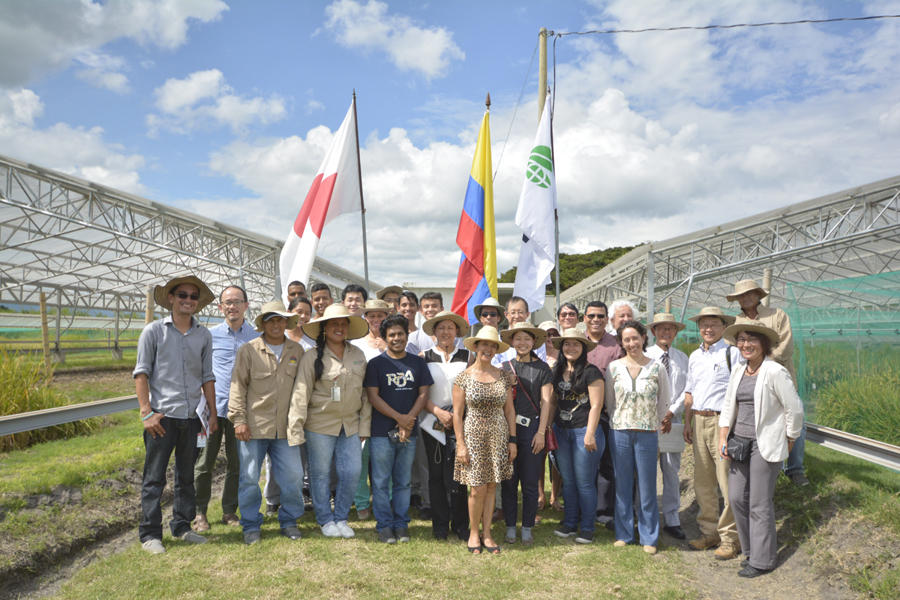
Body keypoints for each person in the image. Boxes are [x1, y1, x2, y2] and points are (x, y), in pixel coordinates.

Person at [134, 275, 217, 554]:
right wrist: (147, 413)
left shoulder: (203, 335)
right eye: (183, 295)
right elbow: (141, 372)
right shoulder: (154, 332)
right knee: (154, 477)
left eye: (193, 297)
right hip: (162, 417)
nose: (188, 300)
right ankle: (150, 534)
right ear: (171, 298)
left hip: (192, 417)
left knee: (186, 476)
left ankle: (182, 526)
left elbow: (207, 377)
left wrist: (212, 415)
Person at [718, 322, 804, 577]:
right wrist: (724, 436)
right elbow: (727, 405)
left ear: (763, 344)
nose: (745, 345)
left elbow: (794, 408)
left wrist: (790, 439)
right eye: (741, 340)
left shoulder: (775, 372)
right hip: (739, 442)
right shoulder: (739, 370)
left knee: (759, 502)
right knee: (735, 498)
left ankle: (763, 560)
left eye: (751, 339)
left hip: (764, 443)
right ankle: (750, 552)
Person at [288, 303, 370, 538]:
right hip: (319, 425)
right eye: (334, 324)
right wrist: (296, 426)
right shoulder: (312, 356)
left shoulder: (358, 354)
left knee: (353, 471)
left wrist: (365, 425)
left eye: (343, 324)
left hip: (351, 424)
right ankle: (325, 519)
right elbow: (301, 392)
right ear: (324, 328)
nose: (339, 328)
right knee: (320, 473)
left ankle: (342, 516)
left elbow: (365, 394)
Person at [229, 301, 305, 544]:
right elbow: (238, 386)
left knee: (293, 476)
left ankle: (290, 519)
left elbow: (302, 389)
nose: (276, 324)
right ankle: (251, 524)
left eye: (280, 319)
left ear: (286, 322)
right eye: (270, 320)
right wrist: (239, 420)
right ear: (262, 323)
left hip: (286, 427)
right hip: (254, 427)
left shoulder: (296, 350)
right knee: (250, 477)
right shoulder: (249, 350)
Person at [726, 278, 807, 487]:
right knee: (760, 425)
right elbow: (735, 352)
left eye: (749, 294)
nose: (745, 298)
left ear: (758, 295)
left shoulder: (777, 315)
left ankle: (795, 468)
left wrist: (763, 362)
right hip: (749, 383)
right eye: (741, 296)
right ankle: (765, 466)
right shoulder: (736, 322)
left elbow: (786, 346)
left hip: (778, 380)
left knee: (793, 419)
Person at [192, 285, 257, 533]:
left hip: (241, 411)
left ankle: (229, 510)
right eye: (227, 302)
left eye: (237, 302)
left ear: (246, 306)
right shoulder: (209, 335)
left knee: (236, 463)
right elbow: (198, 369)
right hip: (212, 408)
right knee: (204, 462)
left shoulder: (254, 336)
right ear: (221, 307)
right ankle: (200, 512)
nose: (232, 306)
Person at [364, 314, 433, 543]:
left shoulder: (417, 363)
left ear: (406, 335)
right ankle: (384, 524)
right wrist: (399, 418)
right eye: (391, 335)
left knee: (403, 481)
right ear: (384, 338)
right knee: (381, 481)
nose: (396, 338)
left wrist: (409, 419)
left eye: (400, 334)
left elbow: (423, 393)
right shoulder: (376, 364)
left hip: (409, 431)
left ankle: (401, 523)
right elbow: (373, 397)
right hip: (381, 432)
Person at [605, 320, 672, 555]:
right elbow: (610, 402)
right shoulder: (613, 368)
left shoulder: (657, 367)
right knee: (622, 484)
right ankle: (624, 533)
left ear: (644, 338)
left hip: (647, 433)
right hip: (620, 431)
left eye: (635, 338)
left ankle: (649, 536)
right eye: (626, 339)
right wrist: (619, 420)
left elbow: (665, 399)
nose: (631, 343)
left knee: (647, 486)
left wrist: (657, 420)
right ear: (621, 343)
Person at [683, 306, 743, 560]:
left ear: (723, 327)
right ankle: (709, 532)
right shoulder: (695, 356)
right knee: (703, 481)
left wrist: (731, 427)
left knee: (726, 481)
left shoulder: (733, 353)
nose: (708, 329)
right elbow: (690, 391)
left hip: (722, 423)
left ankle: (731, 538)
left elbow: (740, 391)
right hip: (699, 420)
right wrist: (687, 422)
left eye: (713, 324)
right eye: (703, 324)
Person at [452, 326, 516, 554]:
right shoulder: (463, 377)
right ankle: (473, 533)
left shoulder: (503, 376)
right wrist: (460, 444)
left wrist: (512, 440)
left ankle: (487, 533)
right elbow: (457, 415)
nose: (488, 349)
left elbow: (510, 411)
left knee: (491, 486)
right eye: (484, 344)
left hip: (498, 436)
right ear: (476, 347)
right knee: (477, 488)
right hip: (473, 437)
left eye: (492, 345)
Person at [499, 322, 552, 545]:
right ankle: (511, 525)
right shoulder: (504, 367)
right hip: (508, 430)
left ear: (533, 342)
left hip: (532, 429)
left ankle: (527, 525)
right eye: (518, 338)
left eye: (526, 339)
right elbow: (498, 401)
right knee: (509, 481)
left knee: (530, 482)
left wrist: (541, 433)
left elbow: (547, 402)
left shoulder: (543, 369)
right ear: (512, 342)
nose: (522, 343)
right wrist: (505, 385)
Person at [550, 329, 605, 544]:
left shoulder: (592, 372)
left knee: (584, 482)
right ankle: (570, 523)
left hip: (584, 431)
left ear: (583, 348)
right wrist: (547, 428)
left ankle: (588, 527)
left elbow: (597, 405)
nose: (570, 348)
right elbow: (553, 401)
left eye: (576, 344)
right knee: (569, 481)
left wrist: (590, 433)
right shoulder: (557, 370)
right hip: (561, 432)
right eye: (567, 344)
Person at [421, 310, 471, 540]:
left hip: (462, 422)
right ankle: (440, 525)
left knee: (459, 475)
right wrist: (438, 412)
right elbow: (420, 393)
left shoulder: (468, 355)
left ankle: (461, 524)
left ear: (457, 331)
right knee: (436, 475)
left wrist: (457, 415)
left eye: (450, 328)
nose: (446, 332)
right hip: (432, 421)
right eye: (441, 327)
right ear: (434, 331)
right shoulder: (425, 356)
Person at [645, 312, 689, 540]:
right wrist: (659, 412)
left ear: (675, 332)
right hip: (650, 422)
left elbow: (687, 389)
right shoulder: (646, 356)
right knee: (647, 471)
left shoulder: (682, 358)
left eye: (670, 329)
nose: (666, 333)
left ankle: (672, 518)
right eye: (661, 329)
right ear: (653, 332)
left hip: (674, 421)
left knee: (671, 471)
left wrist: (672, 411)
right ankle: (647, 516)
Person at [350, 298, 392, 521]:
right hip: (362, 406)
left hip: (389, 407)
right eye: (371, 315)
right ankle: (362, 501)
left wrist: (387, 348)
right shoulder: (357, 343)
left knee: (385, 460)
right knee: (360, 459)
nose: (376, 320)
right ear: (365, 318)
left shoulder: (394, 340)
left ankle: (385, 500)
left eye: (380, 315)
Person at [581, 300, 621, 529]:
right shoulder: (577, 342)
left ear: (607, 319)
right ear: (584, 318)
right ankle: (581, 508)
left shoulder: (615, 346)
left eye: (600, 316)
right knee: (582, 465)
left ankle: (603, 511)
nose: (596, 320)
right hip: (579, 415)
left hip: (606, 413)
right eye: (591, 316)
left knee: (606, 464)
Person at [493, 297, 546, 365]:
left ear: (527, 314)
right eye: (513, 312)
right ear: (506, 314)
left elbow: (542, 366)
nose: (517, 316)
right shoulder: (497, 340)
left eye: (520, 312)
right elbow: (494, 367)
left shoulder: (538, 340)